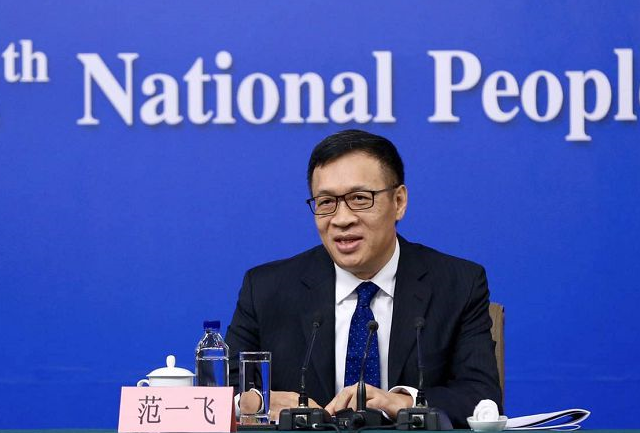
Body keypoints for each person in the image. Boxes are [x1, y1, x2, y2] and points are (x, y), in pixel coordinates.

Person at [226, 129, 502, 427]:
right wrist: (257, 402)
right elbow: (218, 391)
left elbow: (481, 397)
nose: (342, 219)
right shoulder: (267, 289)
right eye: (326, 202)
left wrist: (405, 403)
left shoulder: (457, 284)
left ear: (399, 202)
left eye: (359, 198)